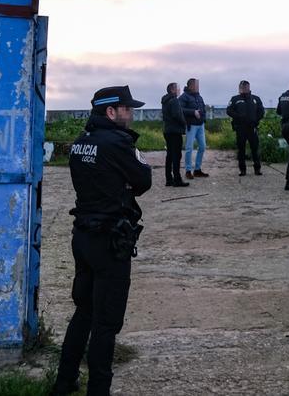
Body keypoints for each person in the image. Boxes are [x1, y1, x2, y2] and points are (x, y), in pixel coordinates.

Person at [53, 86, 152, 396]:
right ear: (111, 111)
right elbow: (144, 180)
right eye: (127, 108)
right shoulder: (118, 143)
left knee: (83, 312)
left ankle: (64, 382)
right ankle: (98, 390)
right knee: (106, 323)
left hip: (82, 235)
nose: (131, 113)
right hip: (110, 240)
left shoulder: (81, 143)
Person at [226, 80, 265, 176]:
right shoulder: (235, 99)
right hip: (240, 128)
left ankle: (257, 169)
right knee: (241, 149)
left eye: (245, 87)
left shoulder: (255, 99)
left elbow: (261, 111)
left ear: (249, 87)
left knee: (255, 149)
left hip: (252, 127)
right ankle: (242, 170)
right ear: (239, 88)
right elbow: (229, 111)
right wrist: (238, 116)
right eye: (242, 87)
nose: (244, 88)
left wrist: (256, 120)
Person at [161, 82, 190, 187]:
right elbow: (177, 115)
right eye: (178, 89)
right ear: (173, 90)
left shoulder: (165, 101)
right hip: (175, 131)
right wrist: (184, 123)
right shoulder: (174, 100)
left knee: (169, 155)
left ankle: (169, 179)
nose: (179, 90)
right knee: (176, 156)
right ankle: (177, 180)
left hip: (168, 130)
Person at [179, 78, 208, 179]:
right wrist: (193, 112)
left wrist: (203, 117)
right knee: (189, 148)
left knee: (203, 146)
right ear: (191, 86)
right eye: (196, 85)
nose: (198, 87)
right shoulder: (184, 97)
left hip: (200, 126)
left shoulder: (199, 96)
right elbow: (180, 109)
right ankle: (188, 171)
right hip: (191, 126)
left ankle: (197, 169)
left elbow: (203, 108)